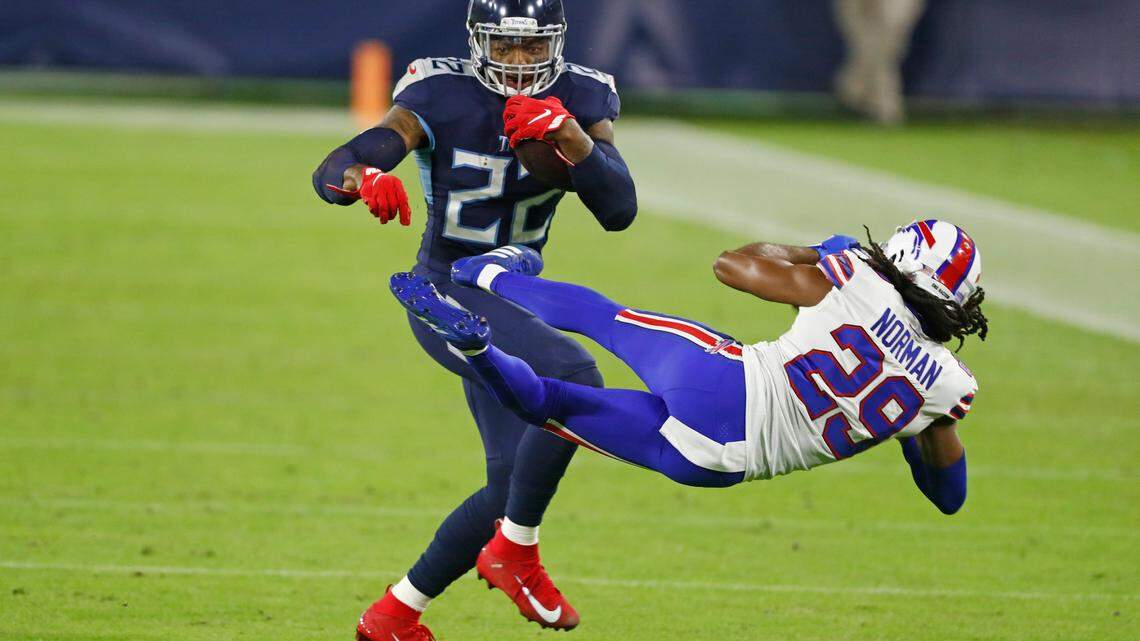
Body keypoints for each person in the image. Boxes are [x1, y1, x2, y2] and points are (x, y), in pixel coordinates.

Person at [311, 1, 637, 639]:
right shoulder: (438, 92)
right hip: (444, 295)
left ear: (557, 43)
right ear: (475, 42)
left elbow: (619, 208)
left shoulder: (581, 95)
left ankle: (394, 615)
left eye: (532, 47)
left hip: (509, 295)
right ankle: (519, 553)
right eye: (505, 47)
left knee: (509, 485)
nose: (519, 62)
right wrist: (362, 176)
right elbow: (342, 161)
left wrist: (569, 137)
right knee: (576, 374)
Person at [391, 220, 985, 515]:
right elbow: (946, 495)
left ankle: (484, 274)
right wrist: (919, 426)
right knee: (549, 405)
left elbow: (733, 266)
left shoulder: (858, 283)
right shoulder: (947, 387)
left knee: (606, 318)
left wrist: (818, 254)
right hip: (717, 463)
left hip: (724, 384)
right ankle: (478, 350)